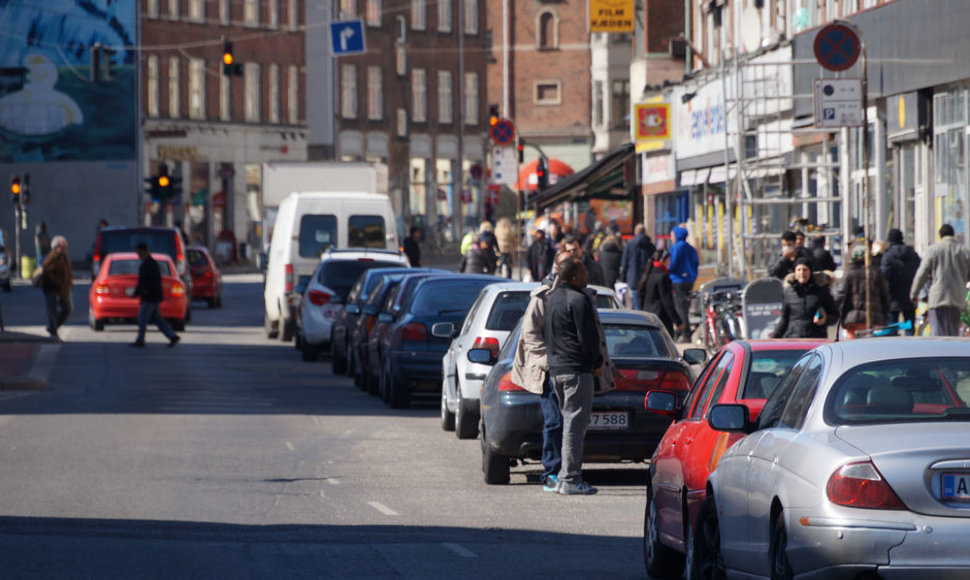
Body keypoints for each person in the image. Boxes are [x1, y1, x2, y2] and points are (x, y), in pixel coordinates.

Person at [512, 250, 573, 492]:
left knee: (572, 423)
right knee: (554, 421)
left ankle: (570, 472)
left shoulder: (581, 294)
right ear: (558, 268)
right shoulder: (543, 296)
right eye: (568, 263)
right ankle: (551, 471)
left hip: (573, 369)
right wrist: (547, 360)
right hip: (549, 370)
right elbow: (530, 333)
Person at [545, 256, 604, 495]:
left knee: (568, 422)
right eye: (582, 270)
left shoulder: (553, 298)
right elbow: (588, 338)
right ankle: (570, 479)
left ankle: (563, 477)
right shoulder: (579, 299)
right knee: (574, 426)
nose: (587, 273)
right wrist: (597, 362)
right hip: (576, 369)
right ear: (573, 276)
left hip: (557, 369)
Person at [910, 223, 970, 337]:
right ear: (953, 235)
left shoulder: (933, 250)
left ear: (940, 236)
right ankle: (952, 354)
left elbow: (921, 274)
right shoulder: (964, 251)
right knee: (953, 334)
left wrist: (914, 294)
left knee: (939, 336)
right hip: (957, 299)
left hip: (938, 299)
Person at [834, 242, 890, 339]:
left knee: (853, 348)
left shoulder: (849, 272)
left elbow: (840, 296)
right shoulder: (875, 272)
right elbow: (885, 296)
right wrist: (884, 313)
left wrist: (838, 313)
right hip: (874, 318)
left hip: (852, 319)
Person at [772, 257, 838, 338]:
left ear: (810, 272)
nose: (802, 273)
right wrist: (773, 338)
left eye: (805, 269)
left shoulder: (822, 291)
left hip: (816, 339)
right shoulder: (788, 292)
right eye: (799, 270)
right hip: (794, 338)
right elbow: (784, 319)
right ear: (794, 273)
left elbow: (835, 315)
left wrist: (826, 319)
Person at [130, 242, 181, 347]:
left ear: (145, 252)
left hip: (150, 297)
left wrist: (143, 291)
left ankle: (140, 340)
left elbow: (148, 281)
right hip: (151, 296)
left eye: (140, 253)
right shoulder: (148, 263)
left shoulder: (150, 264)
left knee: (142, 318)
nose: (138, 256)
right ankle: (172, 336)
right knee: (156, 319)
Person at [881, 229, 920, 335]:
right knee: (910, 328)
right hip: (910, 296)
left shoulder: (888, 257)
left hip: (892, 298)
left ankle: (895, 350)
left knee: (893, 328)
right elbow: (919, 272)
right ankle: (911, 348)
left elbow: (884, 277)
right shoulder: (913, 255)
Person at [637, 249, 682, 337]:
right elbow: (667, 301)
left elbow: (641, 297)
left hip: (648, 316)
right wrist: (678, 321)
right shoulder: (663, 277)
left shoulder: (648, 275)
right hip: (661, 318)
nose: (669, 263)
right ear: (662, 260)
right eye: (668, 260)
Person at [668, 225, 699, 342]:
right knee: (686, 306)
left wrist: (667, 269)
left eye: (672, 235)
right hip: (689, 280)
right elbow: (696, 263)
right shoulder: (691, 248)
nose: (671, 238)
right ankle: (685, 328)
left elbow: (673, 263)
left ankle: (685, 331)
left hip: (678, 280)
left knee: (680, 306)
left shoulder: (676, 248)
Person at [39, 235, 73, 340]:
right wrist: (58, 282)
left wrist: (69, 282)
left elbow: (68, 271)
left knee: (67, 309)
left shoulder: (64, 256)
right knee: (52, 311)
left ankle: (52, 327)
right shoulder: (52, 257)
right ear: (56, 247)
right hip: (52, 289)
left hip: (64, 289)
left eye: (65, 246)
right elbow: (47, 271)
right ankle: (53, 332)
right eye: (62, 246)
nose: (64, 248)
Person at [619, 224, 655, 309]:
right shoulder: (650, 245)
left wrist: (623, 278)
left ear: (635, 232)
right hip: (647, 277)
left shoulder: (630, 245)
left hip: (633, 277)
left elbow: (625, 262)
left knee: (636, 302)